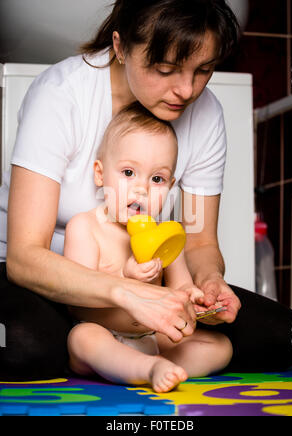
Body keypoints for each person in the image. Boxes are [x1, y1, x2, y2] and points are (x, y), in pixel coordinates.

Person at [0, 0, 292, 381]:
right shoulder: (63, 94)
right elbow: (26, 258)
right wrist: (126, 294)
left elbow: (200, 245)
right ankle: (93, 350)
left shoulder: (206, 114)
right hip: (43, 282)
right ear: (121, 47)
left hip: (147, 301)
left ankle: (132, 361)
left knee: (283, 337)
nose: (187, 90)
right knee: (23, 343)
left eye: (204, 70)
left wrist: (208, 283)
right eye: (165, 69)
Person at [65, 102, 233, 393]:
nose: (141, 188)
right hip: (105, 334)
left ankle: (154, 366)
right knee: (82, 338)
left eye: (157, 179)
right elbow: (77, 300)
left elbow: (181, 288)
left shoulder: (165, 236)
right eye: (129, 173)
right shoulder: (85, 227)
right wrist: (126, 277)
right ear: (100, 174)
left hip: (153, 335)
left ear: (170, 186)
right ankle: (147, 368)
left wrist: (197, 299)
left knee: (220, 346)